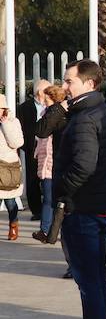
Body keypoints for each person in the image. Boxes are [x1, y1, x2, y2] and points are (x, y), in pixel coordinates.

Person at [57, 60, 106, 319]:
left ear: (89, 84)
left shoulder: (85, 117)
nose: (65, 86)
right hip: (95, 205)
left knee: (89, 280)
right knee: (95, 278)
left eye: (70, 81)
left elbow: (83, 165)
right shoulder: (95, 111)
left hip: (84, 208)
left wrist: (62, 190)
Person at [32, 85, 67, 242]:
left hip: (50, 162)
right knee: (49, 198)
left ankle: (47, 230)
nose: (43, 100)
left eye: (46, 97)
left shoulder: (55, 114)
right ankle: (47, 230)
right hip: (45, 161)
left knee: (49, 198)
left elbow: (43, 135)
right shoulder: (49, 113)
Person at [17, 79, 49, 221]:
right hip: (32, 147)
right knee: (32, 179)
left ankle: (49, 208)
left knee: (48, 178)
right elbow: (20, 129)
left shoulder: (53, 105)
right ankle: (37, 210)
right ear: (40, 92)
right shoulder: (24, 108)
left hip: (49, 147)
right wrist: (27, 146)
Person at [0, 95, 24, 240]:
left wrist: (5, 125)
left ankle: (13, 224)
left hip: (7, 167)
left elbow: (17, 142)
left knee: (10, 201)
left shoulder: (13, 122)